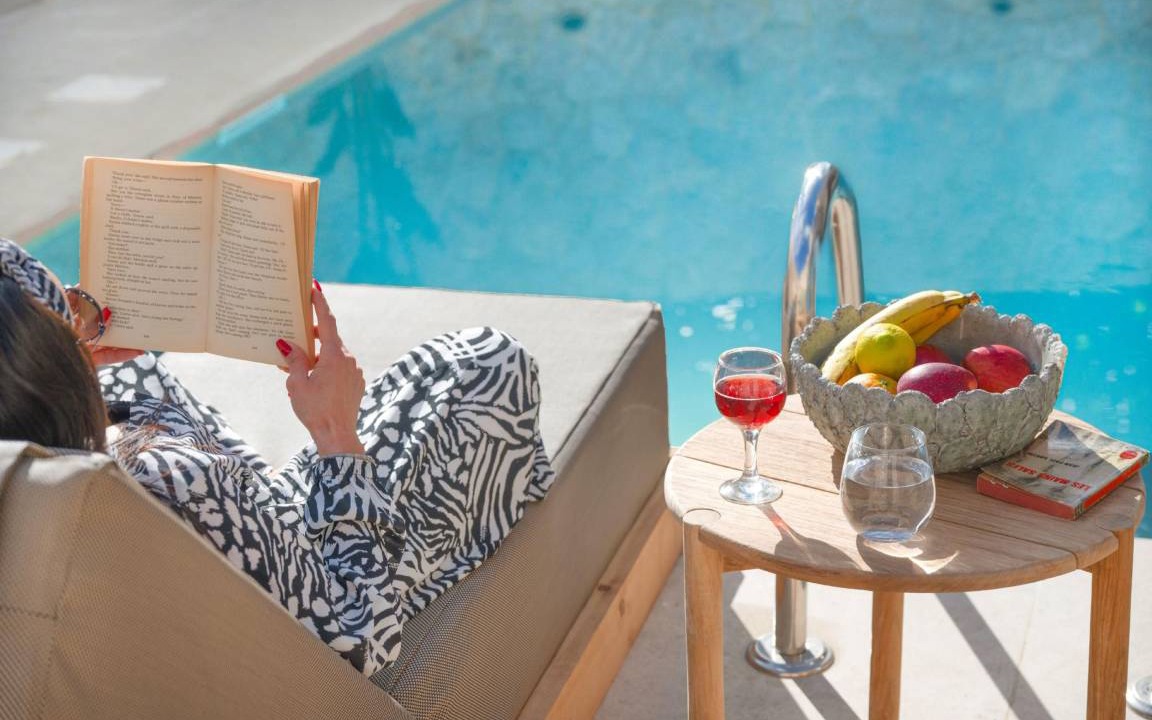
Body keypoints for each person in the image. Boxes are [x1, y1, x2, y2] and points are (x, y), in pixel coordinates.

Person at [0, 237, 555, 675]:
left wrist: (78, 361)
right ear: (48, 368)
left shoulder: (30, 478)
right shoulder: (178, 482)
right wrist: (334, 431)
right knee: (490, 362)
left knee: (136, 371)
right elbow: (363, 634)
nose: (80, 315)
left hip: (221, 529)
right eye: (67, 315)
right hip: (322, 573)